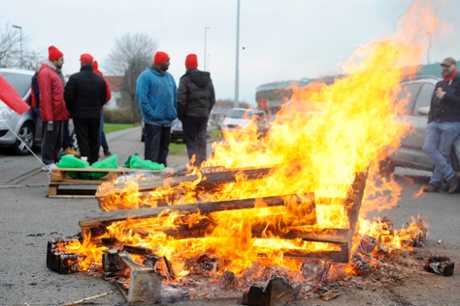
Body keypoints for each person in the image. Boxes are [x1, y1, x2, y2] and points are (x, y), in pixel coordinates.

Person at [423, 57, 460, 193]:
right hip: (435, 123)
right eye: (443, 66)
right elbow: (433, 105)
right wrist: (430, 122)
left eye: (448, 66)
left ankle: (434, 183)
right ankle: (451, 176)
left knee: (443, 153)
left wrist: (446, 96)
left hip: (452, 123)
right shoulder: (440, 84)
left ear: (454, 67)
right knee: (428, 147)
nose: (445, 69)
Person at [64, 53, 107, 165]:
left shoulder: (74, 78)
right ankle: (94, 162)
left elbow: (68, 96)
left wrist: (72, 109)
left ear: (81, 63)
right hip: (95, 114)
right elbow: (104, 97)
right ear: (92, 63)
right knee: (93, 138)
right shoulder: (99, 79)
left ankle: (84, 161)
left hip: (79, 114)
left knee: (82, 138)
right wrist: (97, 107)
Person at [136, 51, 177, 167]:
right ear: (160, 62)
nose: (169, 63)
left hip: (167, 121)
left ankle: (162, 176)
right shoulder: (145, 76)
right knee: (152, 151)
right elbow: (141, 97)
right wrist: (151, 113)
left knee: (164, 151)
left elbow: (175, 95)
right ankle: (149, 175)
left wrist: (174, 111)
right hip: (153, 122)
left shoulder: (169, 77)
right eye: (167, 61)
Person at [177, 54, 215, 167]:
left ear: (186, 65)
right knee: (202, 140)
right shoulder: (207, 79)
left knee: (192, 141)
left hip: (189, 117)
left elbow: (181, 101)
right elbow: (212, 99)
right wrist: (206, 112)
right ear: (197, 64)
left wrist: (181, 115)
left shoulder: (184, 80)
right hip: (203, 116)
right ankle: (203, 165)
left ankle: (194, 167)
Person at [37, 46, 70, 170]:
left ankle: (54, 159)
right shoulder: (46, 73)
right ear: (55, 60)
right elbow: (45, 96)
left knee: (57, 139)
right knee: (49, 139)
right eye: (61, 59)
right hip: (52, 114)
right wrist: (48, 116)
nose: (63, 62)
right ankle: (47, 161)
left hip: (59, 113)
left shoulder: (55, 72)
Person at [93, 60, 112, 156]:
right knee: (100, 129)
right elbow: (108, 94)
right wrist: (101, 103)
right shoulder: (102, 78)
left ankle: (96, 151)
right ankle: (106, 149)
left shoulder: (90, 77)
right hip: (99, 107)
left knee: (95, 130)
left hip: (90, 108)